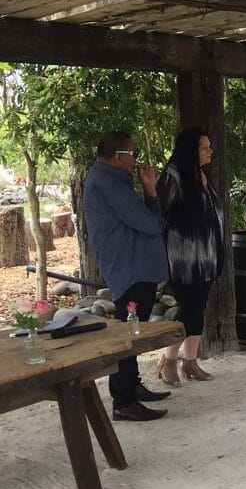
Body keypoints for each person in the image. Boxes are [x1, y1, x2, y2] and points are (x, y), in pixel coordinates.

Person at [82, 131, 171, 422]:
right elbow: (148, 224)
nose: (136, 161)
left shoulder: (110, 180)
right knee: (129, 333)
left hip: (133, 265)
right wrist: (151, 194)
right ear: (118, 157)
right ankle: (123, 400)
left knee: (133, 330)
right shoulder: (109, 184)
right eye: (133, 155)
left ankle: (131, 386)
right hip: (130, 267)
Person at [155, 126, 224, 385]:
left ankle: (191, 362)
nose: (210, 152)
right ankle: (169, 361)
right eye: (204, 147)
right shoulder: (173, 175)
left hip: (206, 257)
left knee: (198, 309)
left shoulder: (201, 176)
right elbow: (159, 212)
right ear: (190, 149)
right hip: (184, 259)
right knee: (188, 309)